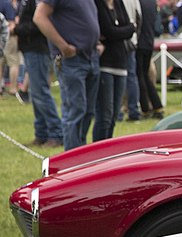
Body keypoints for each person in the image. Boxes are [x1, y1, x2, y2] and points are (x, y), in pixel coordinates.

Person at [35, 0, 99, 149]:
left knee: (88, 111)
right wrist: (62, 45)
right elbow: (39, 17)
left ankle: (80, 152)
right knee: (75, 110)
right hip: (72, 59)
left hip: (89, 56)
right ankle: (73, 160)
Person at [15, 0, 61, 144]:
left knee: (41, 92)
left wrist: (16, 29)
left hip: (38, 48)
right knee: (36, 93)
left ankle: (56, 133)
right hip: (30, 48)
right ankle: (41, 133)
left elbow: (39, 23)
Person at [93, 0, 134, 141]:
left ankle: (107, 150)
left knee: (114, 115)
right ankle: (97, 150)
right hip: (105, 64)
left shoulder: (118, 3)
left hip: (121, 63)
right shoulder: (97, 4)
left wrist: (118, 32)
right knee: (104, 115)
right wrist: (123, 30)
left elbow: (130, 28)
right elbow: (106, 30)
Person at [135, 0, 162, 116]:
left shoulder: (137, 2)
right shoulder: (152, 3)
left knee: (139, 75)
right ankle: (156, 105)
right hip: (149, 42)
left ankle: (145, 107)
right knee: (145, 76)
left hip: (139, 42)